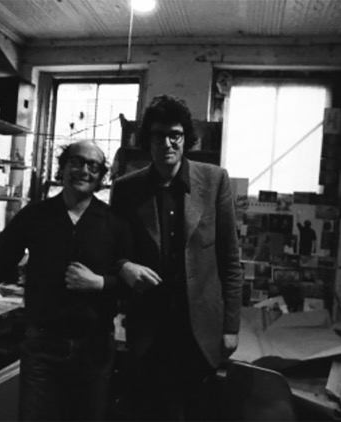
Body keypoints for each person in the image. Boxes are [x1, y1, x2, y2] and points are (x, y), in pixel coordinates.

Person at [0, 140, 131, 421]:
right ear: (63, 167)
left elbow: (131, 285)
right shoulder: (36, 216)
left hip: (94, 350)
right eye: (76, 162)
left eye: (93, 166)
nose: (84, 171)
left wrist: (101, 283)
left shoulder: (115, 223)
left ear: (102, 176)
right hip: (43, 349)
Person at [111, 95, 244, 420]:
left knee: (198, 412)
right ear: (148, 140)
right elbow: (112, 249)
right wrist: (124, 266)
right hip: (149, 329)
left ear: (186, 139)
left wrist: (231, 326)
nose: (167, 143)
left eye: (176, 135)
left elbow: (230, 261)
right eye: (158, 135)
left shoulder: (214, 180)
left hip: (199, 332)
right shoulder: (126, 188)